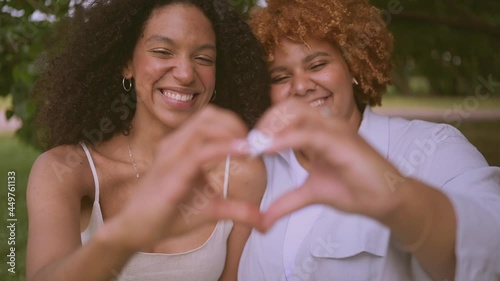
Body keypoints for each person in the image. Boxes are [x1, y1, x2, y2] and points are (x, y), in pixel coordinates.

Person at [237, 0, 500, 280]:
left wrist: (401, 201)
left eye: (317, 64)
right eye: (281, 76)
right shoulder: (258, 168)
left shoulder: (431, 147)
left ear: (353, 66)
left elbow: (491, 250)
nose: (301, 86)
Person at [26, 1, 271, 280]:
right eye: (163, 52)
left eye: (203, 59)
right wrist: (127, 234)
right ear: (126, 64)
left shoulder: (241, 175)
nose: (185, 73)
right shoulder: (65, 171)